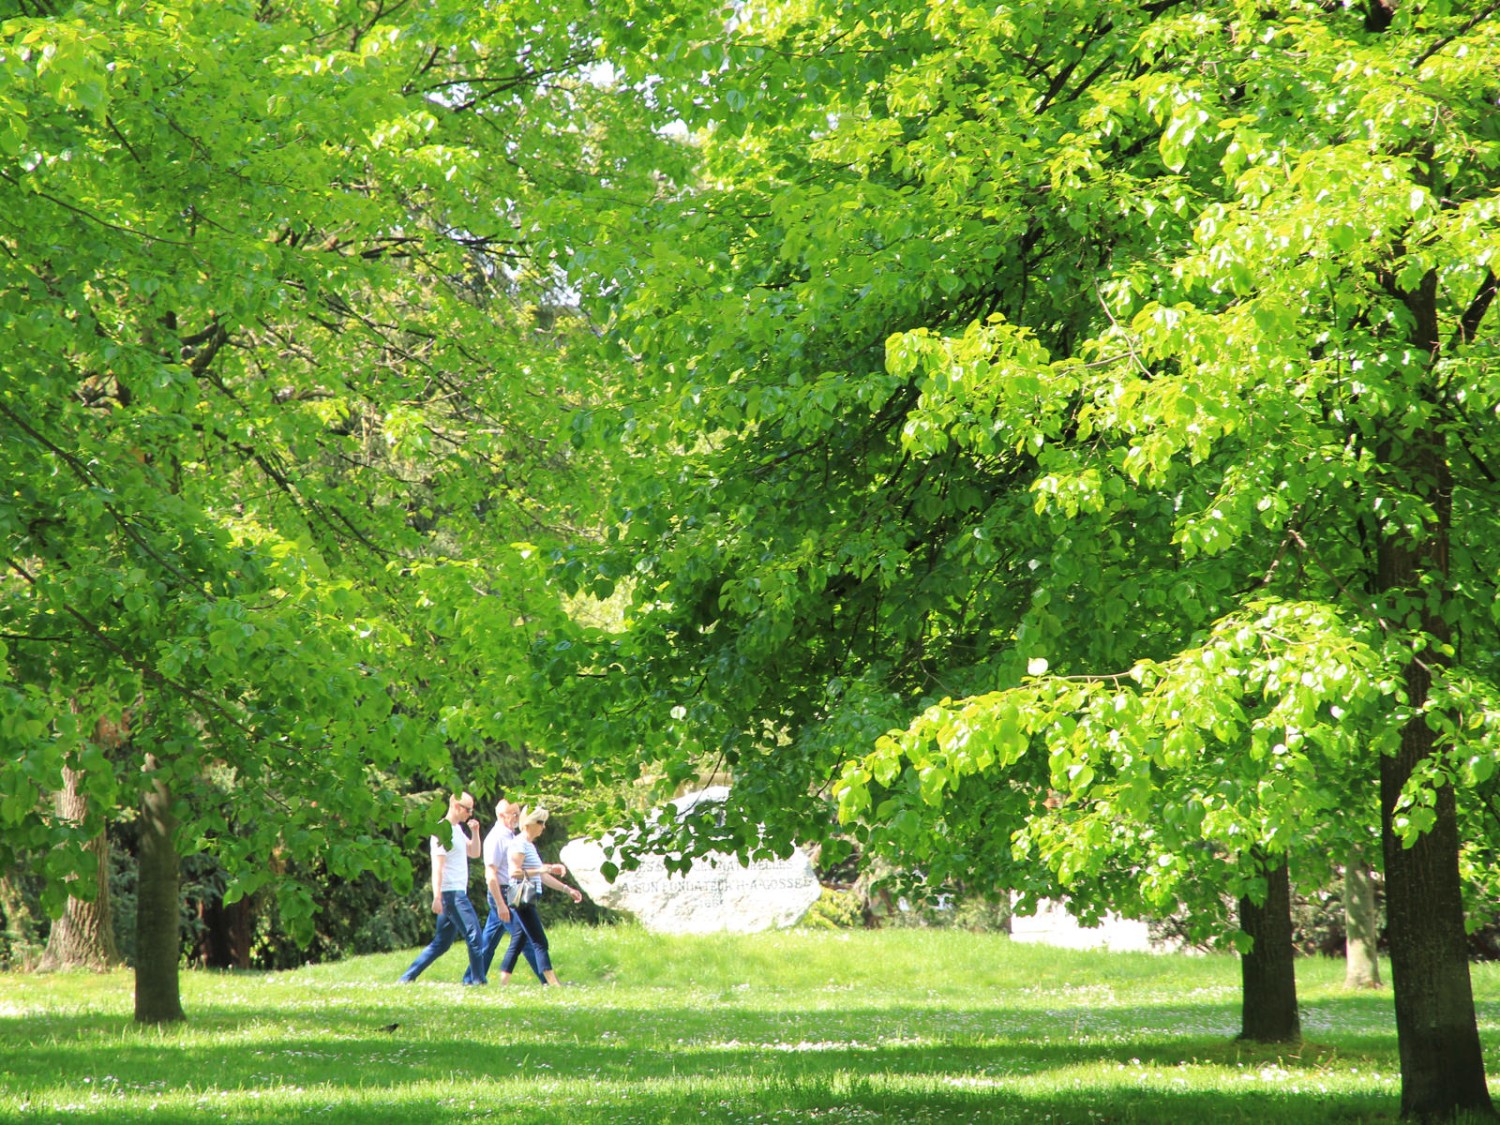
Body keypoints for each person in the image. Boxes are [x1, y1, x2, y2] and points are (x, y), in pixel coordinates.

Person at [398, 791, 488, 985]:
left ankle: (406, 978)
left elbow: (474, 852)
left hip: (456, 892)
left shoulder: (456, 830)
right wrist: (437, 897)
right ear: (456, 806)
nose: (470, 814)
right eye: (468, 809)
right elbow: (437, 866)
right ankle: (478, 981)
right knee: (475, 936)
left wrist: (475, 832)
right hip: (452, 893)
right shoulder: (441, 830)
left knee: (441, 944)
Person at [497, 805, 583, 986]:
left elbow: (543, 876)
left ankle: (502, 984)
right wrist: (545, 868)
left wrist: (567, 889)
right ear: (529, 823)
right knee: (540, 941)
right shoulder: (519, 843)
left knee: (518, 942)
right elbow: (514, 872)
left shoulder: (528, 845)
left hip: (529, 897)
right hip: (521, 899)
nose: (544, 827)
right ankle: (554, 985)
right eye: (541, 822)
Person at [462, 797, 544, 985]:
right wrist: (500, 904)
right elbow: (490, 874)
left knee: (488, 942)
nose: (517, 817)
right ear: (501, 815)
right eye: (513, 814)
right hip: (503, 892)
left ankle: (470, 979)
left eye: (518, 813)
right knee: (524, 935)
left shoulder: (512, 836)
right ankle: (548, 981)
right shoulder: (496, 838)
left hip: (515, 890)